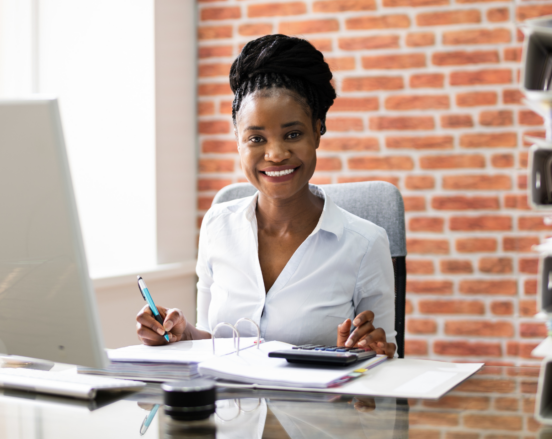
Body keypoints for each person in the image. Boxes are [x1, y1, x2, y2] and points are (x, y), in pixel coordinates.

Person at [136, 34, 397, 357]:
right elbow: (211, 340)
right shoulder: (217, 225)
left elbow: (386, 355)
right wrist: (181, 333)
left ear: (318, 130)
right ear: (237, 140)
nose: (275, 154)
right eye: (256, 138)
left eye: (293, 134)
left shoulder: (365, 243)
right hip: (231, 406)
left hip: (314, 406)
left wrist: (365, 350)